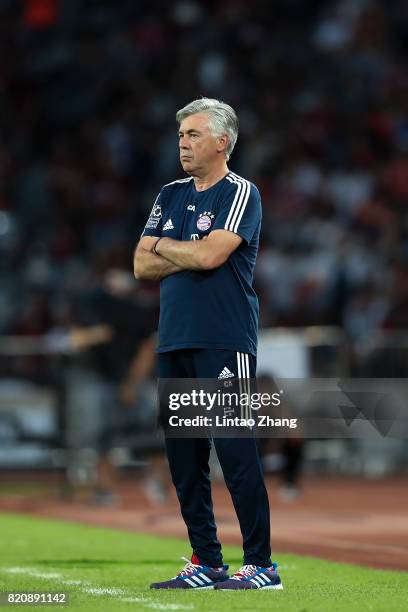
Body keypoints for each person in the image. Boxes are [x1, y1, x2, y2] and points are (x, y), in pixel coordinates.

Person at [134, 98, 283, 591]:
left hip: (223, 339)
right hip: (174, 337)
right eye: (182, 134)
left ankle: (261, 564)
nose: (183, 142)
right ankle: (207, 561)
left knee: (235, 452)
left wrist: (166, 247)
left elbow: (212, 256)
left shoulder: (241, 193)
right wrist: (185, 253)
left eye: (194, 134)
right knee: (184, 459)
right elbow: (140, 264)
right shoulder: (170, 193)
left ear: (223, 141)